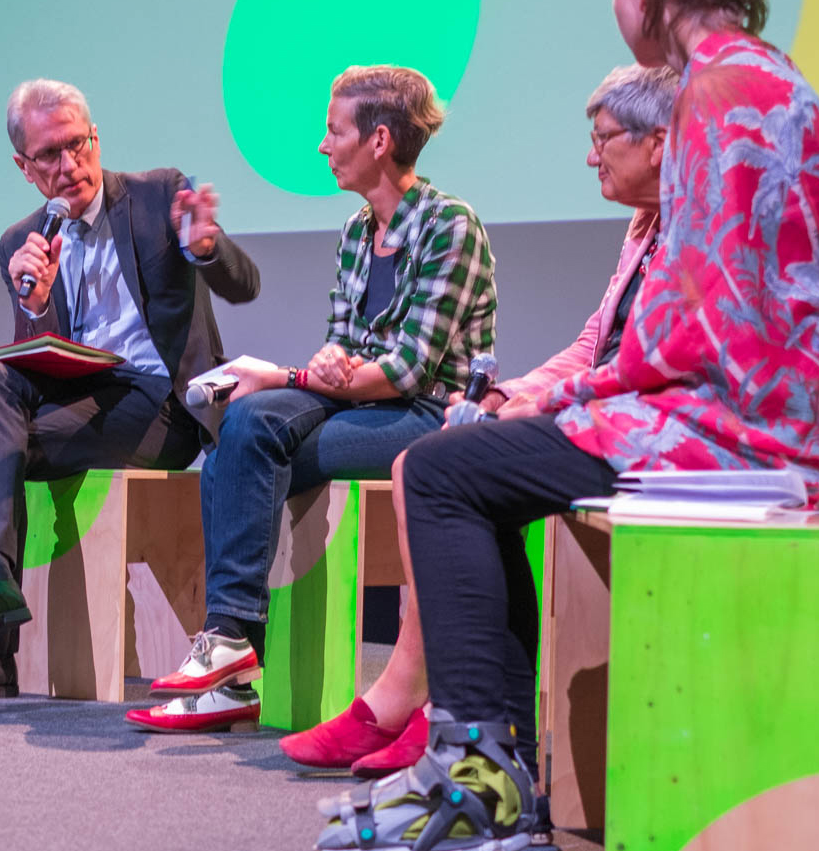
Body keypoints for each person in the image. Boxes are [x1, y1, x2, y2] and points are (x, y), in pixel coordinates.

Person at [315, 0, 819, 850]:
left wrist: (567, 391)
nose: (617, 11)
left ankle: (478, 772)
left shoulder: (719, 97)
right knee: (478, 461)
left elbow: (694, 328)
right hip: (784, 422)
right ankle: (483, 766)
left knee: (444, 470)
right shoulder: (775, 84)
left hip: (741, 434)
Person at [278, 63, 676, 772]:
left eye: (603, 137)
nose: (591, 154)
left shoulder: (696, 225)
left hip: (657, 432)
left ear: (659, 141)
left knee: (429, 466)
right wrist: (511, 391)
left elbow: (657, 360)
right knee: (435, 454)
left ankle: (439, 721)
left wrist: (538, 400)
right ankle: (485, 740)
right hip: (610, 415)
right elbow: (596, 340)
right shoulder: (646, 224)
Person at [123, 65, 495, 733]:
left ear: (379, 140)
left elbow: (405, 372)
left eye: (334, 130)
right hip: (361, 404)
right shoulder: (358, 232)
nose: (323, 146)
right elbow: (347, 351)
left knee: (248, 444)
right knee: (242, 422)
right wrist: (321, 363)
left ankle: (233, 650)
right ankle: (230, 649)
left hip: (427, 416)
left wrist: (292, 375)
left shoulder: (450, 226)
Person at [0, 78, 261, 699]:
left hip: (160, 407)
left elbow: (244, 284)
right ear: (24, 167)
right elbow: (32, 369)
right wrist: (33, 304)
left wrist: (205, 247)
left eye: (78, 145)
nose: (69, 165)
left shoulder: (157, 195)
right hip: (84, 400)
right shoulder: (22, 243)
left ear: (95, 137)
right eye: (50, 156)